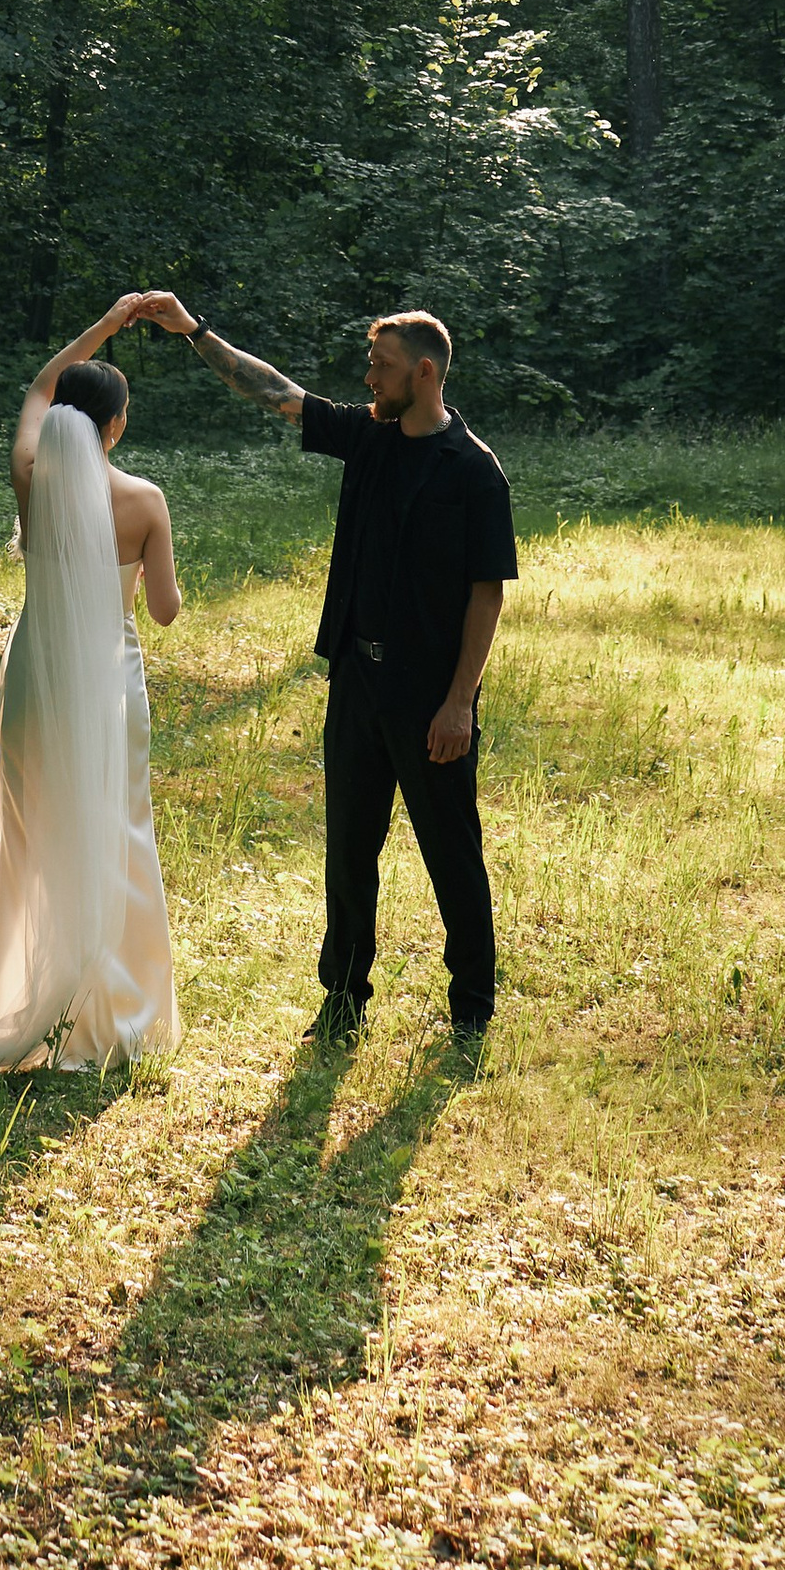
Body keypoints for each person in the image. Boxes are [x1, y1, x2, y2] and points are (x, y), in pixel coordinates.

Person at [155, 296, 514, 1044]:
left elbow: (487, 594)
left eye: (381, 366)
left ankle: (472, 1010)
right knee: (349, 851)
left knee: (452, 852)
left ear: (424, 372)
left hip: (430, 696)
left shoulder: (474, 471)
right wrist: (193, 330)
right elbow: (276, 393)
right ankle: (343, 1001)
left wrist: (459, 703)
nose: (368, 378)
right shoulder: (368, 436)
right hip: (357, 681)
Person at [0, 293, 183, 1070]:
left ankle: (13, 995)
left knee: (29, 840)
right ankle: (107, 1008)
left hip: (35, 678)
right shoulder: (144, 502)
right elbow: (164, 613)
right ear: (114, 428)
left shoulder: (32, 480)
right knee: (116, 831)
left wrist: (108, 324)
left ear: (64, 420)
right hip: (109, 683)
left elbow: (38, 386)